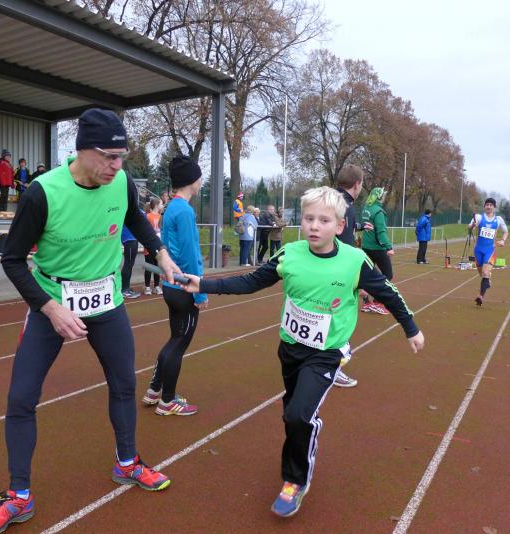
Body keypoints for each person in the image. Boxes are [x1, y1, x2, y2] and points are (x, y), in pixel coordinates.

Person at [0, 108, 179, 534]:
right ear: (82, 150)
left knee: (124, 384)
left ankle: (127, 463)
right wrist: (50, 308)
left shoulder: (120, 181)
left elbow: (133, 216)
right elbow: (12, 259)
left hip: (106, 302)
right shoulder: (42, 193)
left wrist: (159, 251)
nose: (117, 166)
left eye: (122, 157)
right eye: (109, 156)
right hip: (52, 302)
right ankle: (18, 495)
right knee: (21, 398)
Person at [179, 186, 424, 518]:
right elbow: (251, 281)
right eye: (309, 218)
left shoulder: (354, 261)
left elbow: (389, 293)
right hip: (291, 349)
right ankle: (302, 436)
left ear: (340, 226)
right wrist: (204, 283)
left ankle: (294, 480)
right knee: (291, 413)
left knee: (300, 415)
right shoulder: (290, 254)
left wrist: (410, 327)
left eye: (324, 220)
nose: (314, 226)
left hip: (327, 353)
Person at [142, 155, 208, 416]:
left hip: (171, 285)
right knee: (178, 343)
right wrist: (200, 293)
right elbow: (191, 254)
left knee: (174, 339)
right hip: (184, 286)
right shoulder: (184, 211)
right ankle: (167, 400)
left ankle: (155, 390)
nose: (201, 180)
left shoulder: (171, 207)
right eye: (199, 176)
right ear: (192, 180)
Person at [333, 163, 366, 388]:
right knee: (339, 324)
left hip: (317, 270)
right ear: (357, 184)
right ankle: (333, 368)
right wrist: (357, 281)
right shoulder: (346, 207)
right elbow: (344, 247)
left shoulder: (329, 200)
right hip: (337, 275)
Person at [467, 198, 508, 306]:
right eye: (487, 205)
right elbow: (469, 228)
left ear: (494, 207)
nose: (489, 206)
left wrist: (503, 240)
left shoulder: (498, 220)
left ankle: (480, 296)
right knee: (482, 274)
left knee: (485, 273)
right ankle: (487, 280)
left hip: (490, 250)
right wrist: (472, 225)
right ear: (484, 206)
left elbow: (506, 232)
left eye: (491, 205)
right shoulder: (479, 217)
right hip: (478, 250)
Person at [361, 187, 394, 315]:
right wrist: (388, 247)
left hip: (366, 247)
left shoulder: (366, 208)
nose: (384, 197)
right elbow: (381, 231)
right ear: (379, 197)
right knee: (387, 275)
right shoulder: (378, 211)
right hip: (377, 248)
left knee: (366, 275)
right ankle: (377, 303)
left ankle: (366, 302)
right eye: (383, 195)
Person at [143, 198, 164, 296]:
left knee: (157, 266)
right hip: (149, 245)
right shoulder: (148, 216)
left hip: (158, 245)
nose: (162, 205)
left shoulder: (161, 217)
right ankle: (147, 287)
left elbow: (161, 230)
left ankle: (156, 286)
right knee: (149, 266)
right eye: (161, 204)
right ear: (156, 205)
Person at [121, 224, 141, 299]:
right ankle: (125, 290)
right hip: (129, 240)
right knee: (128, 264)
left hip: (132, 239)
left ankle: (126, 288)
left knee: (129, 265)